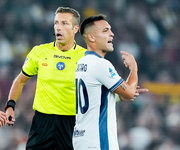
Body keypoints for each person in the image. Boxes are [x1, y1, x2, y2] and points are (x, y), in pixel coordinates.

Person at [5, 7, 86, 150]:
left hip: (71, 123)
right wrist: (11, 106)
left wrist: (123, 89)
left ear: (75, 28)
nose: (58, 27)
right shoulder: (39, 52)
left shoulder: (86, 57)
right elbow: (20, 81)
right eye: (56, 23)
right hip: (42, 123)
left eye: (64, 23)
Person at [72, 14, 148, 150]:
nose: (112, 34)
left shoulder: (82, 63)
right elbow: (129, 94)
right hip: (98, 141)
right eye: (105, 30)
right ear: (91, 37)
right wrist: (134, 68)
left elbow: (98, 97)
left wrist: (122, 93)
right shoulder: (100, 64)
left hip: (81, 139)